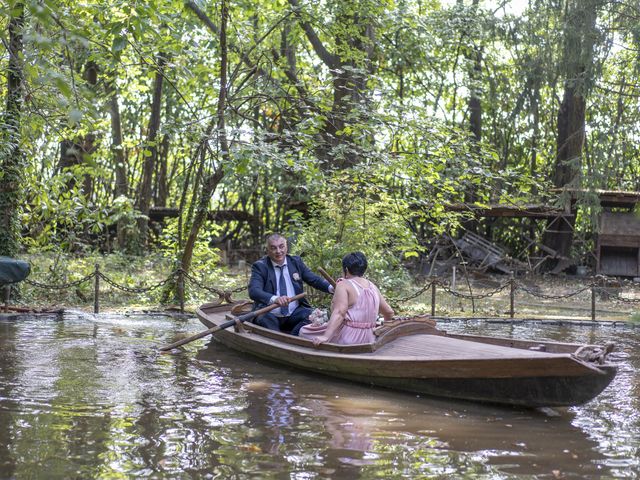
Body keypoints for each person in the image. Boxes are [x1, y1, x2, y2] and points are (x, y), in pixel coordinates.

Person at [299, 251, 394, 346]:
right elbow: (389, 312)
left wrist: (326, 336)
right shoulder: (373, 287)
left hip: (349, 339)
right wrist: (382, 331)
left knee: (304, 331)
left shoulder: (344, 284)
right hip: (370, 338)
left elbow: (339, 313)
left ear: (346, 270)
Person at [248, 233, 334, 335]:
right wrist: (275, 299)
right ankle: (280, 340)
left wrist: (331, 287)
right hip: (269, 314)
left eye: (281, 246)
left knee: (315, 316)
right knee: (266, 322)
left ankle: (293, 338)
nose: (278, 251)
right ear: (267, 250)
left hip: (294, 313)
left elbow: (314, 279)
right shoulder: (260, 266)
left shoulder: (295, 262)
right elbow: (254, 291)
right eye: (273, 248)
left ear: (286, 246)